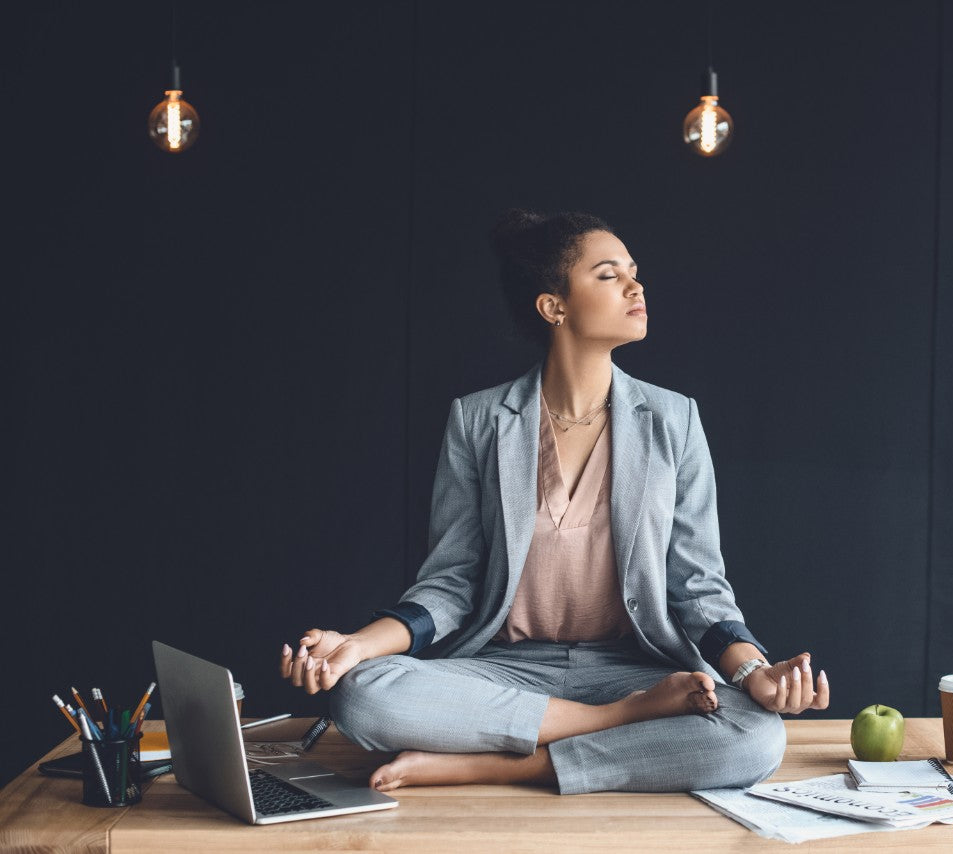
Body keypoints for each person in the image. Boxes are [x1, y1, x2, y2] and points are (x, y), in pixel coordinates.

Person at [278, 209, 830, 795]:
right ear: (554, 306)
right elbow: (451, 583)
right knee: (361, 695)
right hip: (506, 669)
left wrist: (753, 670)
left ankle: (495, 763)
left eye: (634, 273)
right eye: (609, 275)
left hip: (631, 667)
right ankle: (614, 724)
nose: (636, 287)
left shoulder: (675, 420)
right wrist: (355, 646)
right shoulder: (479, 420)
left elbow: (697, 586)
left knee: (756, 735)